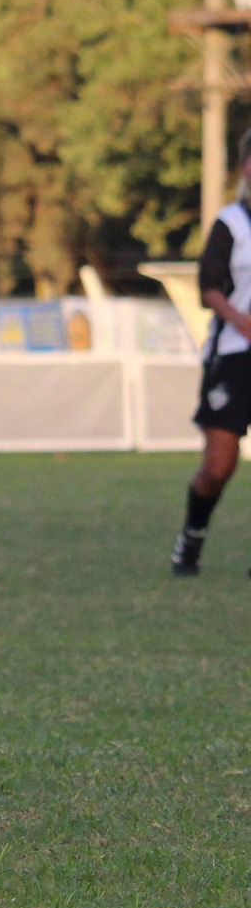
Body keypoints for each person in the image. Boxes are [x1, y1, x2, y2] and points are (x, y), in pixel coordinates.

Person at [173, 128, 251, 575]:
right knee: (219, 464)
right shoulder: (232, 224)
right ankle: (191, 538)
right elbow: (208, 288)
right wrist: (240, 320)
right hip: (235, 353)